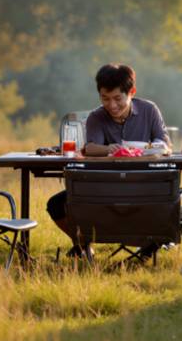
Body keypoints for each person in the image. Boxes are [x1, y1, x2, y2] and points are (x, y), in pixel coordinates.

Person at [46, 63, 171, 260]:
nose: (112, 106)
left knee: (169, 197)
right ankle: (83, 244)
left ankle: (150, 245)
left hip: (142, 183)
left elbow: (164, 143)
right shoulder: (97, 116)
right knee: (56, 204)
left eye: (117, 99)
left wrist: (149, 147)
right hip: (104, 186)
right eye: (105, 99)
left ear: (132, 92)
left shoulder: (149, 110)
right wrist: (109, 149)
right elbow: (91, 147)